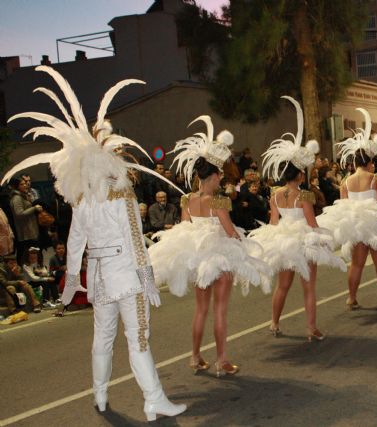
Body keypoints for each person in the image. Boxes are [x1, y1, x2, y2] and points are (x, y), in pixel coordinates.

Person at [1, 66, 186, 420]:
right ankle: (153, 400)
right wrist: (148, 280)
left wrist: (73, 280)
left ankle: (100, 397)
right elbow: (135, 239)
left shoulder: (83, 201)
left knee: (102, 338)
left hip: (99, 278)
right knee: (138, 339)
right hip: (127, 277)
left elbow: (74, 243)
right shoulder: (122, 195)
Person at [149, 116, 271, 376]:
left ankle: (195, 357)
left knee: (200, 310)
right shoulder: (219, 202)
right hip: (220, 257)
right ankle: (222, 361)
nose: (220, 180)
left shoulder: (186, 199)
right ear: (214, 176)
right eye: (219, 176)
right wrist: (244, 244)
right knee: (220, 310)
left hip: (198, 259)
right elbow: (229, 231)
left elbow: (185, 228)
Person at [249, 96, 346, 341]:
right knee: (308, 287)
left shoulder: (275, 194)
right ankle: (311, 329)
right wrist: (324, 237)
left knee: (283, 286)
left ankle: (274, 323)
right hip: (302, 242)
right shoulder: (305, 195)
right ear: (300, 175)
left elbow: (273, 222)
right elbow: (311, 223)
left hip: (283, 242)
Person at [318, 108, 377, 309]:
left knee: (357, 264)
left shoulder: (345, 182)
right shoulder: (374, 179)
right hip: (374, 225)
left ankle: (351, 297)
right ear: (370, 161)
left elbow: (343, 208)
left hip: (356, 225)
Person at [9, 177, 43, 264]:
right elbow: (19, 214)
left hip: (30, 229)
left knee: (34, 253)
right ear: (16, 186)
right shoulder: (17, 198)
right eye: (21, 184)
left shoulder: (23, 195)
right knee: (28, 254)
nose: (25, 185)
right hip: (25, 231)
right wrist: (34, 208)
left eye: (25, 183)